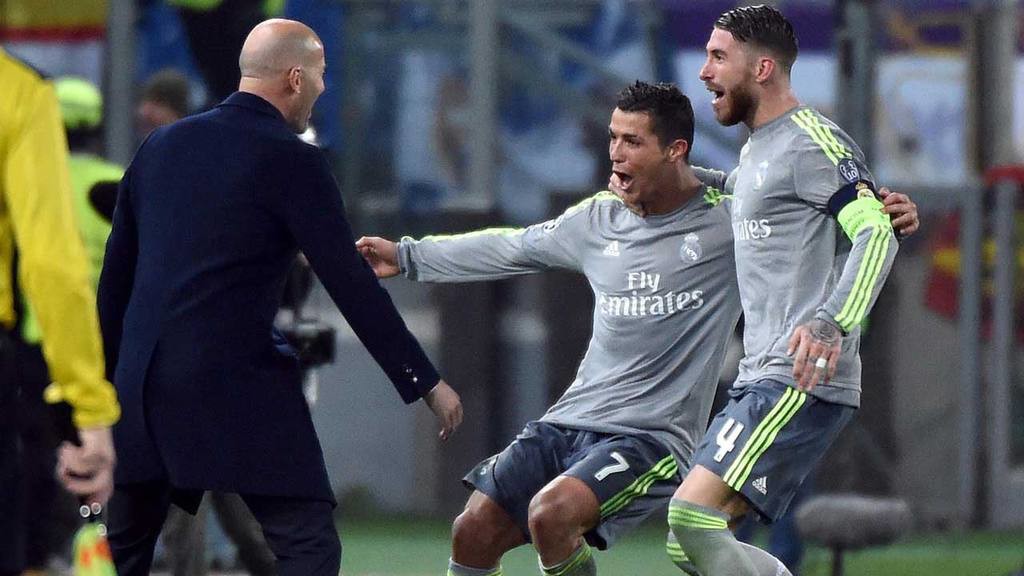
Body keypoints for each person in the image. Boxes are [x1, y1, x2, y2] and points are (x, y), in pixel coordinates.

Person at [356, 81, 919, 576]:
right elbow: (510, 247)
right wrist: (407, 256)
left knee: (552, 515)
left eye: (632, 142)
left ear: (675, 150)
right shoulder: (596, 219)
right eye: (613, 139)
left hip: (650, 438)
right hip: (568, 420)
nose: (615, 155)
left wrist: (886, 208)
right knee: (471, 532)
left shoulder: (729, 216)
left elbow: (819, 216)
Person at [97, 19, 462, 576]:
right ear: (294, 77)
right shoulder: (294, 160)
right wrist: (425, 381)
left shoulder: (161, 146)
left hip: (140, 386)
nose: (322, 88)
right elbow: (351, 283)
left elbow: (115, 281)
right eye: (319, 75)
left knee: (124, 557)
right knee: (308, 546)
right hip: (234, 382)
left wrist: (101, 392)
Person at [666, 6, 907, 575]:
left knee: (691, 518)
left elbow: (876, 234)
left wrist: (831, 322)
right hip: (760, 374)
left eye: (719, 57)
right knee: (692, 542)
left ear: (764, 68)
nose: (703, 71)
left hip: (798, 376)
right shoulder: (757, 150)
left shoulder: (811, 141)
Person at [0, 49, 120, 576]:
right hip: (59, 345)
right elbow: (53, 266)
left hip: (26, 340)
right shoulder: (19, 93)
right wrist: (90, 408)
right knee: (37, 468)